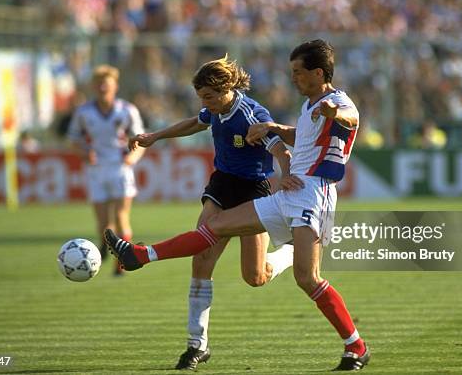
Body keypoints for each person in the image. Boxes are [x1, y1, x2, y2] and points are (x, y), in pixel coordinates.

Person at [105, 39, 370, 371]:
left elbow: (349, 118)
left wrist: (333, 114)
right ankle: (140, 255)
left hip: (313, 193)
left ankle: (356, 346)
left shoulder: (337, 102)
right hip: (284, 192)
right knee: (212, 230)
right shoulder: (309, 104)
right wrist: (276, 129)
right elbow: (302, 136)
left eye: (298, 72)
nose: (293, 78)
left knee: (306, 278)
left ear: (318, 73)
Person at [128, 55, 295, 370]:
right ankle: (196, 345)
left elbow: (279, 149)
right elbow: (196, 122)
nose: (205, 103)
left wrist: (285, 175)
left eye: (208, 96)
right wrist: (155, 136)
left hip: (253, 191)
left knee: (255, 277)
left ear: (227, 89)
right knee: (201, 256)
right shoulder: (216, 109)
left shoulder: (252, 114)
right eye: (201, 97)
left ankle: (287, 251)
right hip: (222, 186)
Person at [67, 65, 145, 276]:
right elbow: (73, 140)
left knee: (121, 216)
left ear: (115, 86)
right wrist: (84, 154)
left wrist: (132, 157)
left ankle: (122, 262)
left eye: (107, 84)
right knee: (103, 223)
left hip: (120, 168)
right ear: (94, 86)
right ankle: (102, 246)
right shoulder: (84, 112)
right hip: (96, 170)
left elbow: (140, 140)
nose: (103, 88)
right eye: (99, 84)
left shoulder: (127, 110)